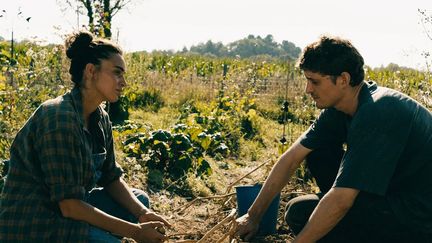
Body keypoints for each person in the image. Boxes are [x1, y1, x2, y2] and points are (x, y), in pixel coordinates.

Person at [234, 35, 432, 242]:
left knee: (301, 213)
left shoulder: (379, 111)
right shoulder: (339, 108)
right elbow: (292, 157)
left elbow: (341, 201)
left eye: (315, 81)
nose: (308, 89)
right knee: (317, 153)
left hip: (420, 216)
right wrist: (253, 215)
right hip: (390, 196)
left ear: (343, 80)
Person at [0, 31, 170, 243]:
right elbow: (70, 205)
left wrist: (143, 214)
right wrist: (135, 231)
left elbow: (110, 177)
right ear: (91, 71)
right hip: (36, 223)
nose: (123, 82)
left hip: (66, 211)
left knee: (139, 200)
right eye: (117, 73)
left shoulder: (100, 117)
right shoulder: (59, 119)